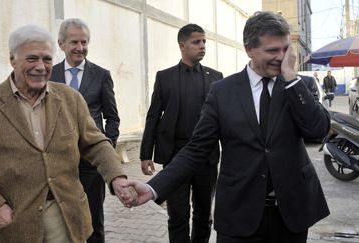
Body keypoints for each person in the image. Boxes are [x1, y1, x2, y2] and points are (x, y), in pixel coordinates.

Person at [127, 11, 330, 243]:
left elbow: (319, 131)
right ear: (249, 49)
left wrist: (292, 79)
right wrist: (153, 188)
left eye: (285, 49)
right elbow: (196, 149)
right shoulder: (222, 91)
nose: (281, 57)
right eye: (272, 50)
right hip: (239, 215)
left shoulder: (296, 86)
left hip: (291, 215)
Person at [0, 25, 135, 243]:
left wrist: (116, 177)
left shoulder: (71, 99)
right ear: (12, 58)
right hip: (16, 223)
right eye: (31, 59)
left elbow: (96, 144)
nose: (41, 67)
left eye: (47, 59)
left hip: (67, 219)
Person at [140, 23, 223, 243]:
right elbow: (153, 116)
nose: (202, 46)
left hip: (206, 158)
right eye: (197, 42)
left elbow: (225, 119)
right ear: (182, 45)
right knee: (177, 216)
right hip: (175, 156)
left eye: (204, 41)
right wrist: (145, 154)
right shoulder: (165, 77)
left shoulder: (216, 78)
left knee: (204, 215)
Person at [50, 18, 120, 243]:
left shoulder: (101, 75)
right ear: (61, 44)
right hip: (58, 161)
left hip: (91, 162)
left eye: (84, 42)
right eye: (74, 42)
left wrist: (106, 148)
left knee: (92, 219)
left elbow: (112, 117)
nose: (80, 48)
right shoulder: (49, 75)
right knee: (59, 217)